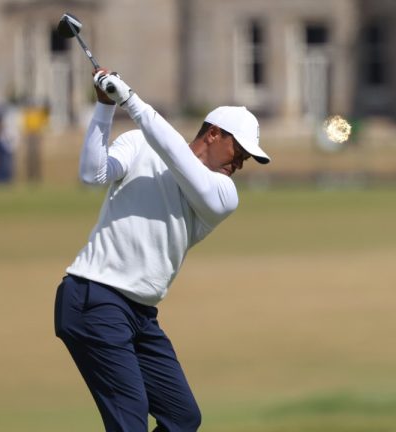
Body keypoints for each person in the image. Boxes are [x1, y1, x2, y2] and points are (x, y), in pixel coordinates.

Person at [53, 69, 271, 432]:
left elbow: (177, 157)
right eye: (240, 150)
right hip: (93, 298)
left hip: (139, 314)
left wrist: (131, 100)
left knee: (182, 417)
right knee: (130, 420)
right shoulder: (140, 143)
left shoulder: (222, 194)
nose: (241, 163)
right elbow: (93, 174)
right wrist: (106, 107)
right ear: (213, 133)